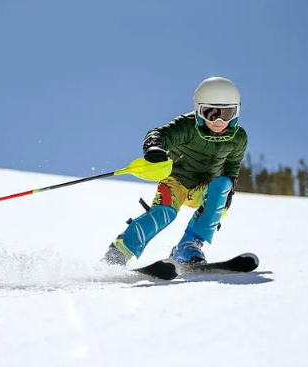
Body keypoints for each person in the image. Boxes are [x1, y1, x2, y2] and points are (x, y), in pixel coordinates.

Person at [102, 76, 247, 266]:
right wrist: (154, 148)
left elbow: (232, 167)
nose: (219, 121)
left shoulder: (238, 138)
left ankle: (188, 247)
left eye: (227, 114)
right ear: (198, 110)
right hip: (176, 181)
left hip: (204, 188)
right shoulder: (187, 126)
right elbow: (159, 135)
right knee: (164, 213)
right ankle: (121, 251)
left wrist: (229, 192)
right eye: (211, 113)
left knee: (223, 184)